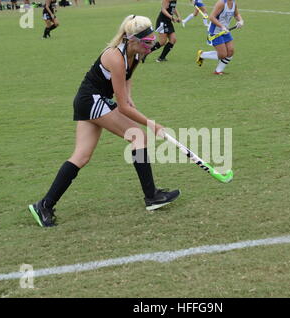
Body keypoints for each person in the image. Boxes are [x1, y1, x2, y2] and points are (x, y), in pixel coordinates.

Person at [28, 15, 181, 227]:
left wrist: (130, 97)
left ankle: (43, 205)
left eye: (151, 40)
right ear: (132, 40)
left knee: (81, 156)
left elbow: (127, 79)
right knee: (139, 136)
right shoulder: (115, 57)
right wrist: (151, 123)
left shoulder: (135, 55)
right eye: (146, 42)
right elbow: (123, 107)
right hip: (90, 100)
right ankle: (151, 196)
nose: (150, 46)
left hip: (91, 100)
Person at [196, 0, 243, 75]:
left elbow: (236, 14)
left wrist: (240, 21)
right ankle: (202, 54)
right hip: (215, 31)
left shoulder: (234, 3)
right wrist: (221, 26)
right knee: (222, 55)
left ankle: (218, 71)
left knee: (230, 51)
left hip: (225, 30)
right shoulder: (221, 3)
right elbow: (211, 17)